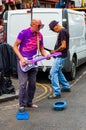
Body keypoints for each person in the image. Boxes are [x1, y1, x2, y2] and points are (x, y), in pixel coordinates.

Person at [13, 19, 50, 110]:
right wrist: (21, 59)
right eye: (39, 26)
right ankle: (22, 104)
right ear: (33, 25)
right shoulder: (23, 33)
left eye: (41, 26)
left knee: (32, 84)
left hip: (34, 62)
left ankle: (29, 102)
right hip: (24, 62)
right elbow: (14, 46)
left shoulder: (39, 35)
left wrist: (46, 55)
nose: (40, 28)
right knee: (23, 84)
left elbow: (41, 49)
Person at [48, 20, 71, 99]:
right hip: (62, 55)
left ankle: (57, 92)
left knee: (53, 72)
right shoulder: (64, 30)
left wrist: (54, 51)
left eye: (53, 30)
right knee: (58, 71)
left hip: (60, 56)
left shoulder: (62, 31)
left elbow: (63, 46)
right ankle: (66, 86)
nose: (54, 32)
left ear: (55, 26)